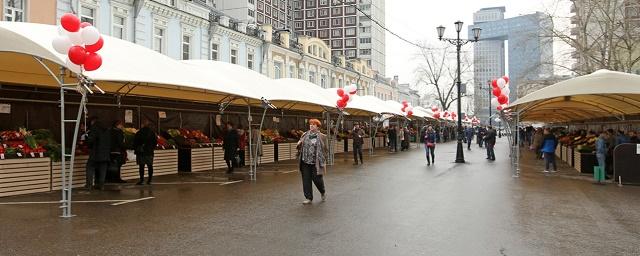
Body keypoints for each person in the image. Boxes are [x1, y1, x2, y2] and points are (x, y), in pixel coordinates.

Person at [296, 119, 328, 205]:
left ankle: (322, 191)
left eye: (314, 124)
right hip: (305, 161)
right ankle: (308, 197)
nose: (311, 126)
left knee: (317, 179)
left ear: (318, 126)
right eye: (310, 124)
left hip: (315, 162)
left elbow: (325, 150)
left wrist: (323, 159)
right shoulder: (304, 134)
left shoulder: (322, 136)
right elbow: (300, 143)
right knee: (306, 180)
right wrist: (298, 144)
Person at [85, 117, 111, 190]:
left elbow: (91, 140)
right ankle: (101, 185)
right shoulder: (107, 130)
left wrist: (87, 141)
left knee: (90, 167)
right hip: (105, 153)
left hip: (96, 153)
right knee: (103, 169)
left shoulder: (94, 128)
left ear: (93, 122)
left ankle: (89, 185)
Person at [133, 119, 156, 185]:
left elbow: (135, 142)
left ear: (142, 125)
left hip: (141, 152)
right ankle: (149, 180)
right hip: (149, 152)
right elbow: (155, 142)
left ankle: (141, 180)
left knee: (141, 166)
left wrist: (136, 148)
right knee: (150, 166)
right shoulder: (152, 133)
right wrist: (151, 148)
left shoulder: (139, 132)